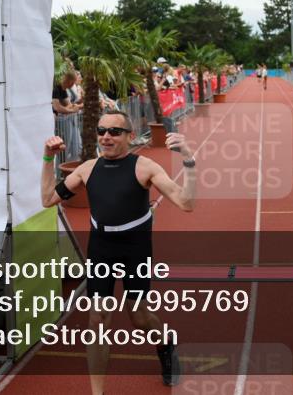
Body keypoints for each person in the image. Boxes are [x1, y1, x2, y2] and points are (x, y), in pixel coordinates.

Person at [41, 111, 198, 394]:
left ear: (130, 135)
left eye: (114, 131)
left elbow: (186, 204)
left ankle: (165, 344)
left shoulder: (145, 167)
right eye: (101, 131)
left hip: (135, 247)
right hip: (101, 247)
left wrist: (188, 159)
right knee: (97, 318)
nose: (106, 137)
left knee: (139, 316)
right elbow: (48, 199)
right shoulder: (87, 169)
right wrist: (47, 158)